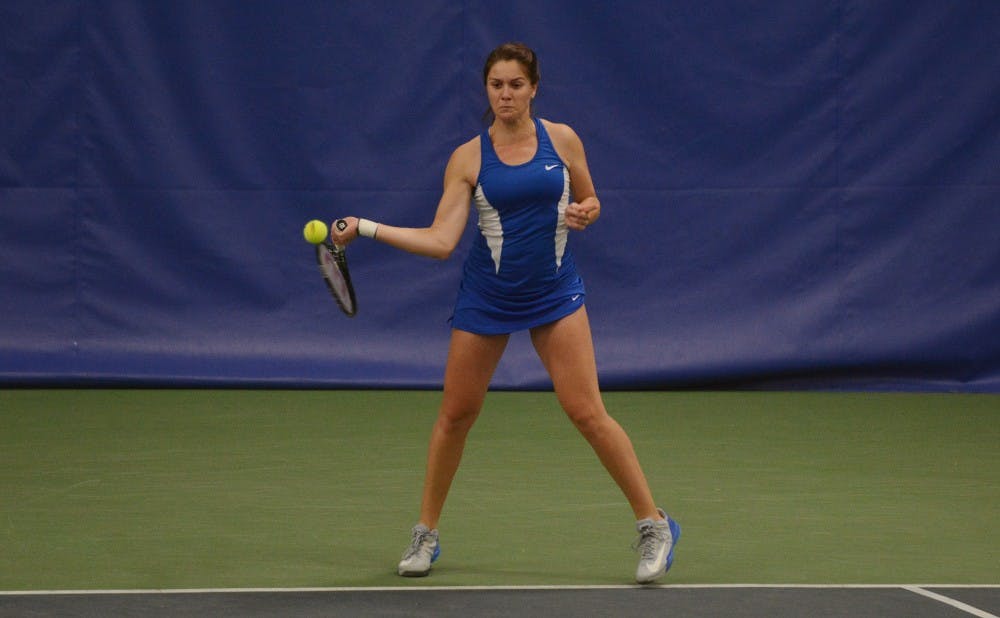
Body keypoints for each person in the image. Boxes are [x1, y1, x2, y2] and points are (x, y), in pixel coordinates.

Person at [330, 42, 679, 584]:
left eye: (516, 84)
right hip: (487, 297)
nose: (506, 94)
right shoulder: (468, 157)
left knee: (587, 412)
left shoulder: (561, 139)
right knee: (456, 416)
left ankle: (655, 525)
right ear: (486, 90)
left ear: (533, 87)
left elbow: (590, 200)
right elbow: (443, 240)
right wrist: (368, 227)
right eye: (497, 85)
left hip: (555, 293)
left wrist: (588, 211)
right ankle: (425, 535)